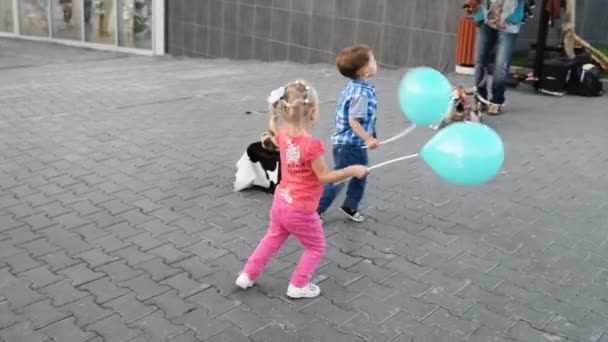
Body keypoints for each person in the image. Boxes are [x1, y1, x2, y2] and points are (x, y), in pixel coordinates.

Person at [235, 80, 368, 299]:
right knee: (316, 247)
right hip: (301, 209)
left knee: (272, 238)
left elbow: (277, 132)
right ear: (313, 113)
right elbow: (325, 177)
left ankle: (247, 274)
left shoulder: (283, 134)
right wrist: (352, 170)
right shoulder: (311, 145)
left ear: (286, 111)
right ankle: (298, 285)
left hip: (280, 203)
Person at [317, 44, 379, 223]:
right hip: (350, 145)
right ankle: (316, 211)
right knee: (339, 178)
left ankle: (350, 206)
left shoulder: (356, 86)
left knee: (360, 173)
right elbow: (354, 121)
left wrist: (369, 138)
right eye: (373, 60)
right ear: (365, 71)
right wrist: (368, 138)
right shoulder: (361, 94)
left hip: (352, 144)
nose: (376, 63)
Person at [471, 0, 527, 115]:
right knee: (479, 60)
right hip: (486, 16)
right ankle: (481, 99)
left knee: (502, 63)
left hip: (509, 20)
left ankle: (497, 101)